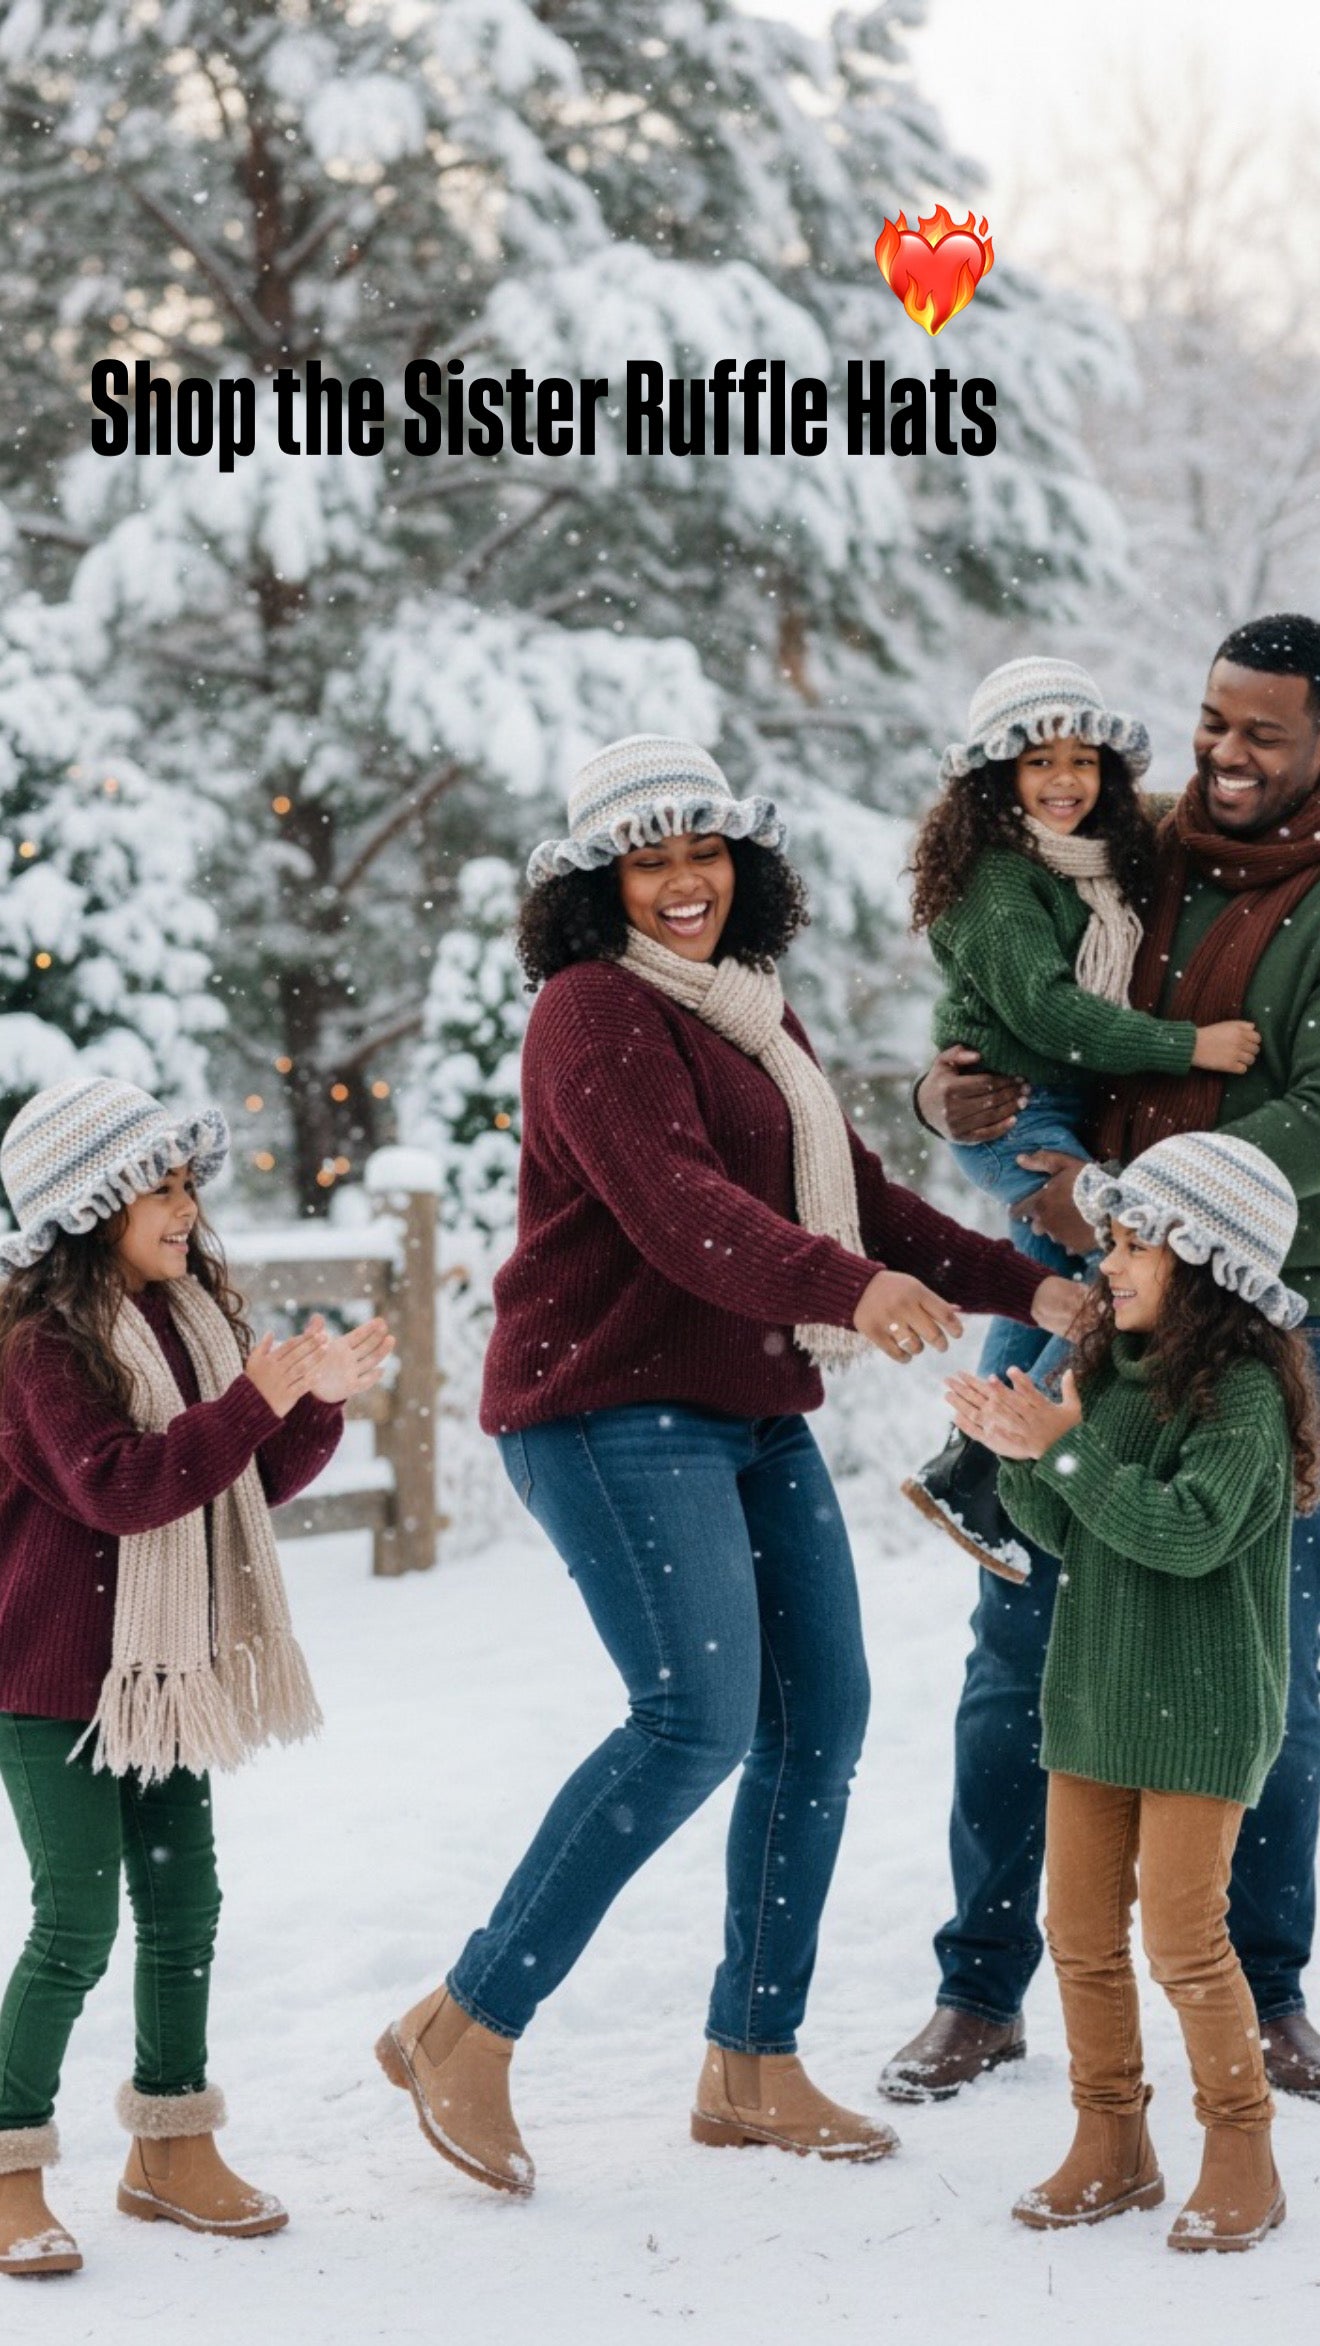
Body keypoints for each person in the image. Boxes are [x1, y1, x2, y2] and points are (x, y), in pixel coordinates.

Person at [374, 734, 1079, 2198]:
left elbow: (863, 1195)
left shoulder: (756, 1013)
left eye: (705, 853)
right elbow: (677, 1207)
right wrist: (843, 1288)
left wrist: (1036, 1285)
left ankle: (752, 2061)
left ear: (740, 867)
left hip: (745, 1405)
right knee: (694, 1716)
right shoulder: (589, 1012)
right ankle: (469, 2021)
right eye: (652, 858)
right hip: (604, 1402)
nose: (685, 881)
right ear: (599, 884)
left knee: (821, 1712)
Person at [882, 614, 1320, 2108]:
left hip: (1261, 1310)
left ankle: (1260, 1984)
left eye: (1264, 729)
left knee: (1261, 1655)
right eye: (1213, 718)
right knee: (1019, 1640)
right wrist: (953, 1091)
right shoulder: (1131, 839)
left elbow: (1316, 1116)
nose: (1227, 751)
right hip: (1075, 1282)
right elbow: (1015, 997)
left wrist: (1148, 1210)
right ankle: (980, 1983)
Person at [0, 1076, 393, 2279]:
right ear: (90, 1204)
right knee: (75, 1919)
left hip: (169, 1665)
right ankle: (8, 2161)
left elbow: (238, 1483)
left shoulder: (185, 1318)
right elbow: (125, 1486)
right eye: (160, 1188)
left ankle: (170, 2147)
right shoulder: (36, 1349)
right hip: (54, 1673)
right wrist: (251, 1404)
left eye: (188, 1185)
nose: (186, 1209)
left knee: (184, 1908)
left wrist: (307, 1410)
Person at [946, 1133, 1318, 2252]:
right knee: (1079, 1932)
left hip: (1201, 1714)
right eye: (1108, 1239)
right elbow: (1069, 1527)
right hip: (1096, 1697)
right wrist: (1022, 1446)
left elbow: (1187, 1535)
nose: (1108, 1261)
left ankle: (1242, 2150)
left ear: (1208, 1261)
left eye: (1133, 1242)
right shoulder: (1110, 1372)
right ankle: (1113, 2143)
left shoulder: (1246, 1400)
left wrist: (1066, 1455)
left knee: (1187, 1943)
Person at [902, 657, 1258, 1578]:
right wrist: (1191, 1048)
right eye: (1037, 763)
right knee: (1110, 1265)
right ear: (994, 780)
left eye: (1083, 760)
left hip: (1060, 1103)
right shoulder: (998, 877)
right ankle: (986, 1458)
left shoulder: (1103, 855)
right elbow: (1048, 1012)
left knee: (1049, 1270)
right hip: (1018, 1112)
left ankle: (967, 1466)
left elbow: (1208, 802)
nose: (1064, 781)